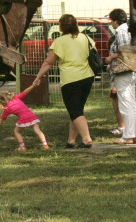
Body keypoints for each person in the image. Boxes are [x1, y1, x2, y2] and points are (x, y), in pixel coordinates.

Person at [33, 13, 94, 149]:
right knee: (77, 110)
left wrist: (38, 77)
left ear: (61, 26)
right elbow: (92, 51)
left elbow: (48, 63)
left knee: (75, 110)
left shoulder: (59, 42)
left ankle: (86, 139)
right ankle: (71, 140)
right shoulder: (84, 37)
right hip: (87, 77)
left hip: (71, 79)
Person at [105, 8, 136, 144]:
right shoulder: (128, 30)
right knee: (131, 103)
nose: (111, 24)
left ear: (115, 20)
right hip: (131, 70)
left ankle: (128, 136)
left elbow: (123, 51)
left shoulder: (121, 31)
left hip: (123, 71)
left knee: (125, 104)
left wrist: (110, 58)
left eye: (111, 21)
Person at [0, 83, 49, 151]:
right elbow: (25, 92)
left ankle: (22, 147)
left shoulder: (7, 108)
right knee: (37, 130)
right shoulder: (16, 98)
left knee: (17, 131)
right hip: (32, 115)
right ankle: (45, 145)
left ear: (2, 102)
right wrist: (33, 86)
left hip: (24, 118)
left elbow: (1, 118)